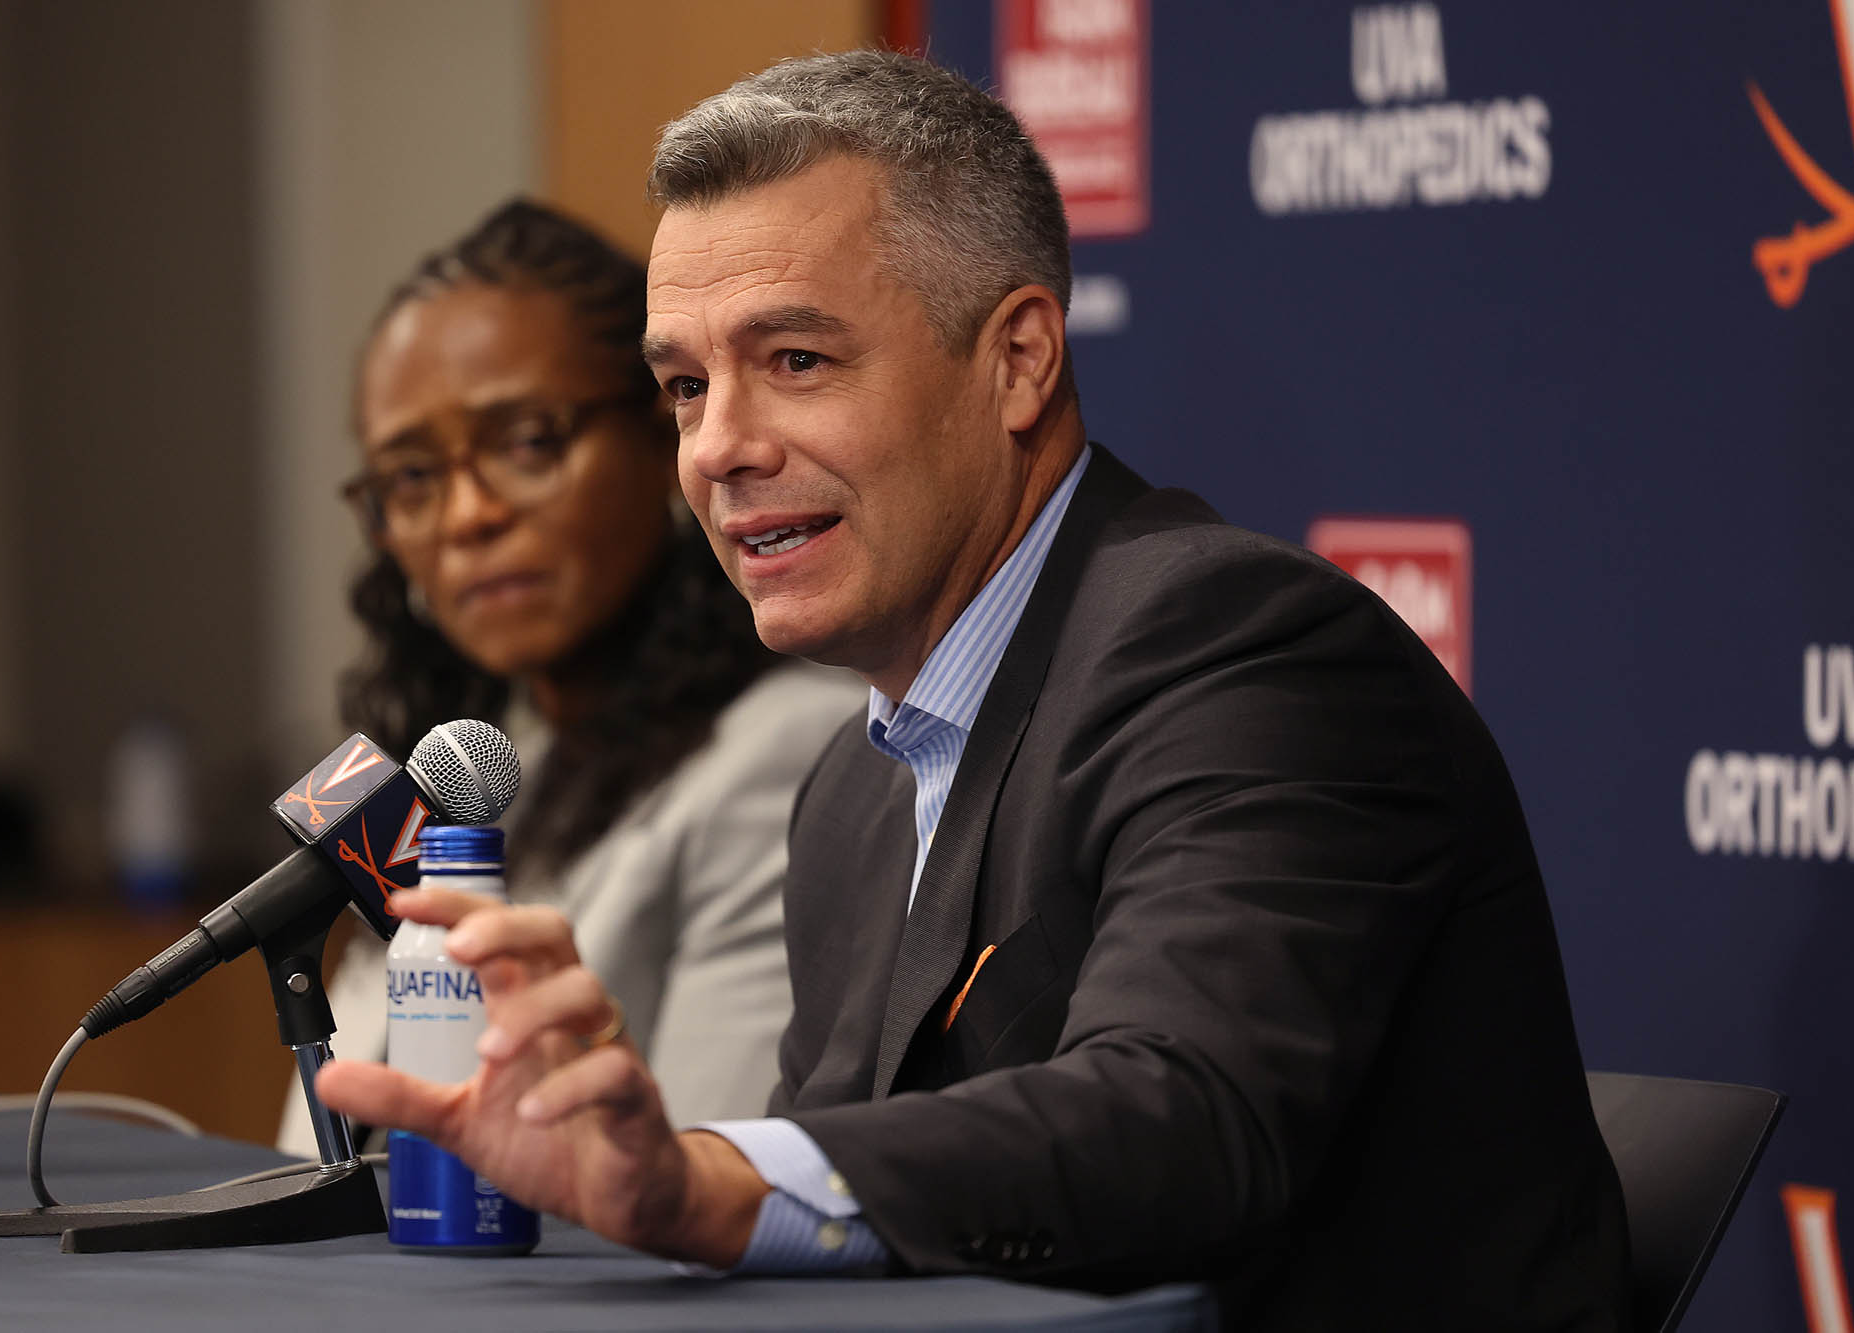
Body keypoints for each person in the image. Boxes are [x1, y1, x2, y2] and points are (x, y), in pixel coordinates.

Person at [319, 52, 1633, 1329]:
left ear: (1017, 361)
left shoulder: (1243, 646)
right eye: (684, 386)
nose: (718, 448)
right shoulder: (851, 791)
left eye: (797, 362)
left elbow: (1183, 1113)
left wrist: (707, 1178)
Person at [276, 200, 862, 1155]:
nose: (467, 515)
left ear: (662, 431)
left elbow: (705, 1180)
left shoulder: (789, 755)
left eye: (528, 441)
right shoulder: (481, 772)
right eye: (413, 477)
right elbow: (313, 1147)